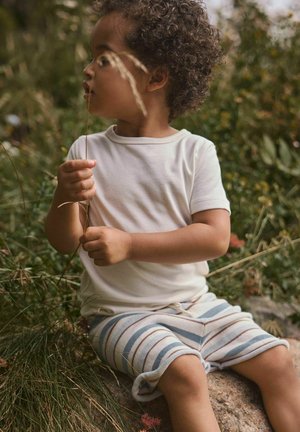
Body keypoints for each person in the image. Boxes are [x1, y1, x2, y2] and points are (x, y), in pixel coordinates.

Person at [45, 1, 300, 431]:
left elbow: (214, 238)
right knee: (185, 373)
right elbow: (65, 240)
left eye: (103, 58)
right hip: (121, 316)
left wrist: (130, 244)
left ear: (156, 77)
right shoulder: (87, 150)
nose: (87, 70)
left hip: (198, 306)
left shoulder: (195, 152)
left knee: (279, 359)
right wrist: (64, 198)